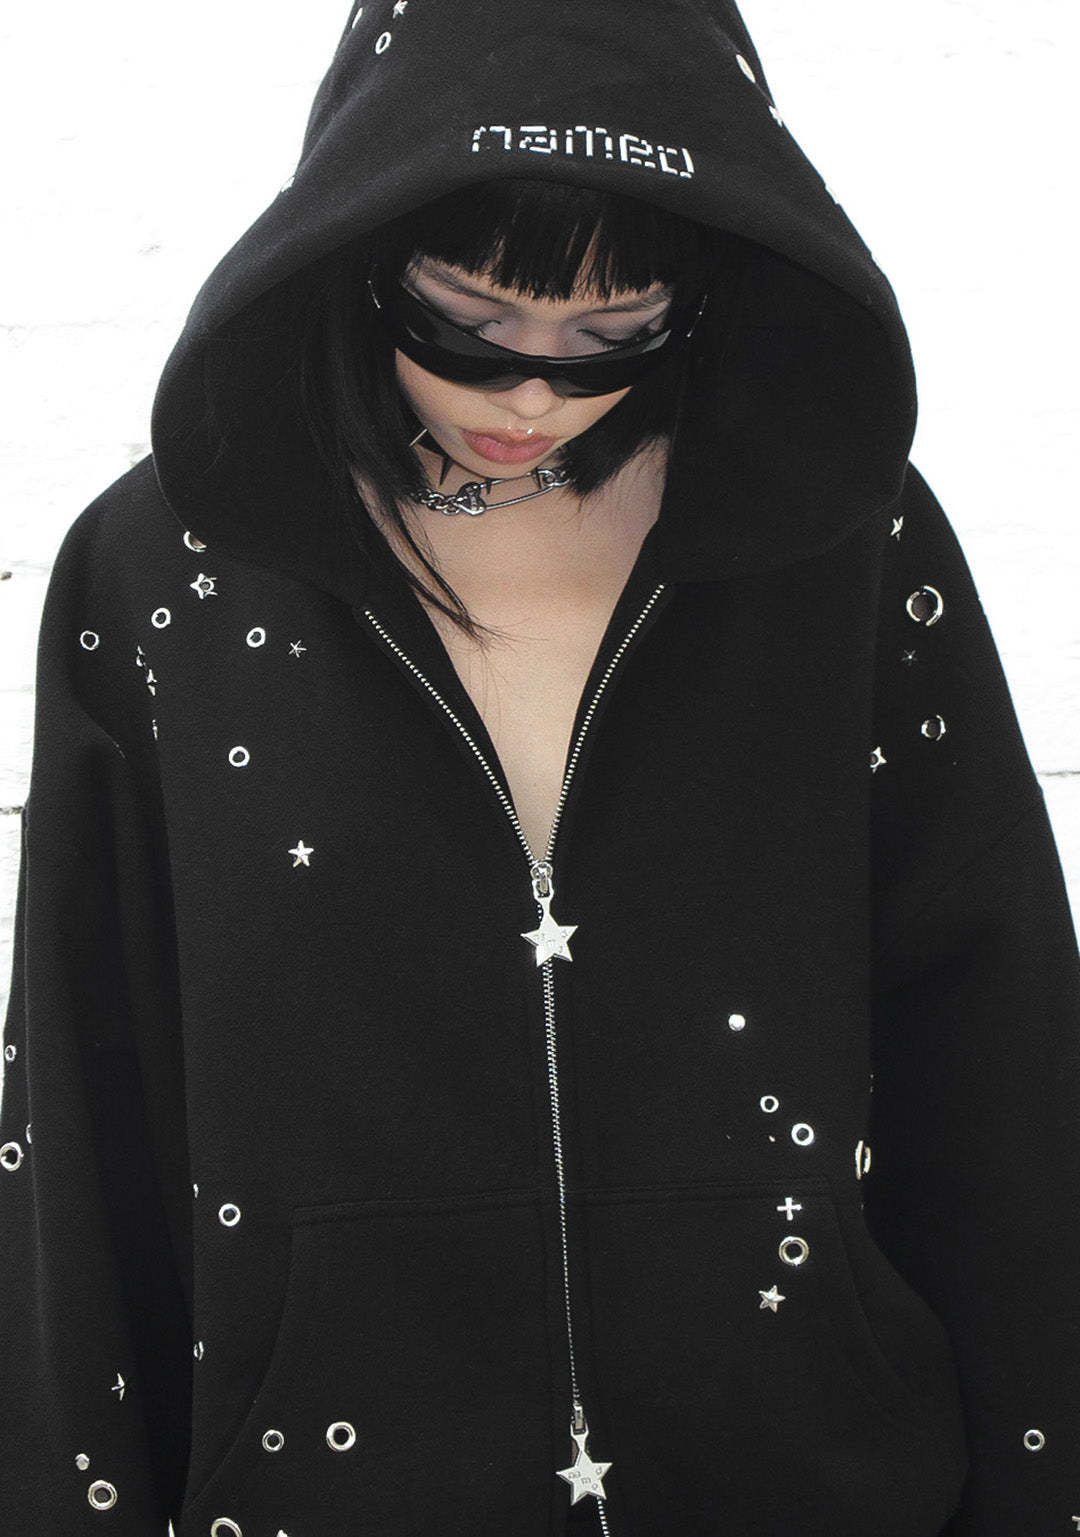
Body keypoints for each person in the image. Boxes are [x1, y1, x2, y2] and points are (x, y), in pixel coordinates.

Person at [1, 1, 1077, 1533]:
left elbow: (999, 1050)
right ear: (362, 247)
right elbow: (83, 1088)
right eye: (467, 317)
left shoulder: (838, 536)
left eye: (613, 336)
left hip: (807, 1482)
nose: (530, 395)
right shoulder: (171, 571)